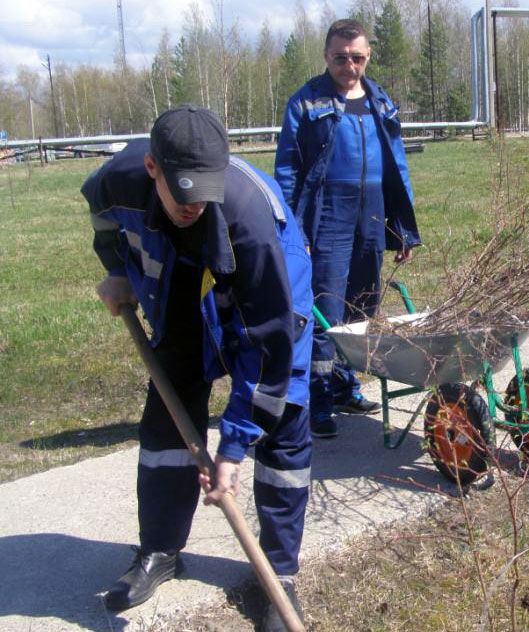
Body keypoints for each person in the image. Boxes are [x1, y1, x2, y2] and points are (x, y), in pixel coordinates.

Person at [83, 105, 313, 632]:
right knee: (167, 422)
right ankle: (160, 549)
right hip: (179, 290)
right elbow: (98, 213)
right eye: (181, 191)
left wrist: (232, 449)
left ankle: (278, 576)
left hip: (268, 294)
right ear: (152, 170)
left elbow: (268, 346)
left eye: (203, 191)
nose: (192, 205)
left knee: (282, 425)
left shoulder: (251, 221)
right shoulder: (118, 179)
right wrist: (116, 270)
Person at [275, 18, 421, 439]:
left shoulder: (380, 101)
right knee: (326, 310)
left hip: (372, 212)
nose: (349, 66)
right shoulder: (305, 102)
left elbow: (397, 166)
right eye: (341, 58)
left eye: (357, 58)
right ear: (326, 56)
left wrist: (402, 229)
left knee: (362, 307)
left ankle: (344, 387)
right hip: (328, 213)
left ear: (367, 56)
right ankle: (318, 402)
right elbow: (287, 168)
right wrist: (290, 229)